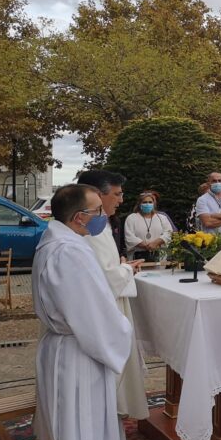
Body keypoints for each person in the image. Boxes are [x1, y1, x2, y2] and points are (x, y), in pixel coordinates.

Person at [30, 184, 134, 440]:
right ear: (79, 218)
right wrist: (123, 334)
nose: (103, 217)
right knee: (81, 438)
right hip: (78, 355)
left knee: (65, 434)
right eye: (97, 211)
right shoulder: (70, 252)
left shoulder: (57, 242)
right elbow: (92, 315)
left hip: (64, 350)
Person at [76, 170, 148, 422]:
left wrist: (121, 265)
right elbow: (105, 278)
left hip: (110, 305)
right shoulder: (91, 229)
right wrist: (127, 268)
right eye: (116, 194)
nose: (121, 199)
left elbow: (105, 266)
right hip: (103, 311)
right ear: (97, 195)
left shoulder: (101, 223)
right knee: (110, 384)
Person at [123, 191, 173, 261]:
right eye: (144, 202)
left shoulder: (162, 218)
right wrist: (146, 246)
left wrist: (156, 243)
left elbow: (168, 233)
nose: (147, 204)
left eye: (150, 202)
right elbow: (129, 237)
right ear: (139, 204)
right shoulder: (131, 218)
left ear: (154, 204)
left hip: (159, 256)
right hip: (137, 256)